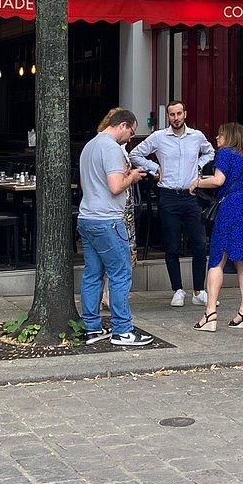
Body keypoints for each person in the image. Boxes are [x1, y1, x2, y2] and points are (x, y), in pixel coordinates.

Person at [75, 108, 153, 348]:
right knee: (121, 273)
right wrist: (132, 177)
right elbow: (115, 187)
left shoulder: (89, 146)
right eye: (131, 132)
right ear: (123, 126)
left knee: (92, 274)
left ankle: (92, 327)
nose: (130, 138)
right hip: (107, 219)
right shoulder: (109, 147)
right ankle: (122, 330)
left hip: (87, 216)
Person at [130, 100, 215, 308]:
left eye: (179, 114)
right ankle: (177, 289)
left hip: (191, 194)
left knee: (198, 243)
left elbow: (210, 152)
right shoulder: (159, 137)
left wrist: (199, 165)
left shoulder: (196, 136)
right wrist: (155, 168)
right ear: (167, 117)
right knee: (172, 245)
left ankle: (199, 290)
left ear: (185, 114)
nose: (176, 118)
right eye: (172, 115)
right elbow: (135, 154)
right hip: (168, 195)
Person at [191, 121, 243, 332]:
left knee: (217, 258)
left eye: (220, 135)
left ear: (229, 136)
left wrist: (197, 182)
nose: (217, 139)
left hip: (231, 206)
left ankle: (210, 313)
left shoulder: (226, 153)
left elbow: (218, 180)